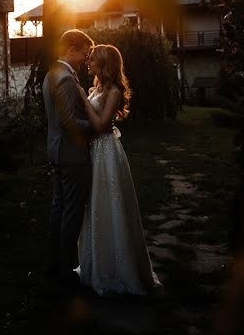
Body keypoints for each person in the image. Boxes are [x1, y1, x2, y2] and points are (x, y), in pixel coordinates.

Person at [74, 44, 161, 296]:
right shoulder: (99, 87)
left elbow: (101, 125)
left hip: (106, 153)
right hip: (92, 152)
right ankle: (96, 266)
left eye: (92, 61)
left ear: (104, 63)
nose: (88, 64)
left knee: (109, 204)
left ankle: (118, 270)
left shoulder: (114, 91)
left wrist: (82, 98)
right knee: (94, 205)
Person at [43, 29, 96, 289]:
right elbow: (67, 122)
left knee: (59, 209)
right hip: (71, 155)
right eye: (84, 53)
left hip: (58, 152)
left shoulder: (53, 74)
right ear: (71, 49)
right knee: (70, 212)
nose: (85, 59)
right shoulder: (64, 78)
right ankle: (64, 269)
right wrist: (96, 125)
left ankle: (55, 263)